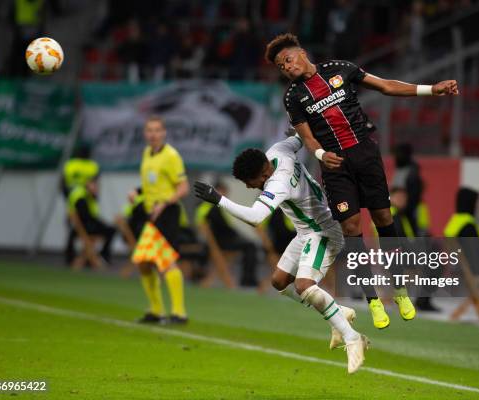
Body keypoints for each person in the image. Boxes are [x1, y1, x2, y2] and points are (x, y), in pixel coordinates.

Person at [264, 33, 458, 326]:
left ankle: (400, 291)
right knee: (352, 227)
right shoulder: (293, 97)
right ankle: (373, 300)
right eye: (281, 66)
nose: (286, 67)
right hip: (334, 166)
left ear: (301, 53)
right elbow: (308, 138)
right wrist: (319, 157)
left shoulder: (340, 69)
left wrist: (432, 89)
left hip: (365, 155)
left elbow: (386, 87)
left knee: (383, 218)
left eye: (287, 60)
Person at [194, 134, 368, 374]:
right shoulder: (279, 149)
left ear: (264, 175)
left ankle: (353, 338)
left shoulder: (278, 182)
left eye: (249, 181)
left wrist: (219, 199)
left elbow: (255, 218)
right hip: (305, 232)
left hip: (323, 231)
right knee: (278, 281)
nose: (248, 186)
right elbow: (302, 137)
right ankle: (338, 314)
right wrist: (299, 126)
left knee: (304, 285)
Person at [134, 115, 190, 324]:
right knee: (144, 263)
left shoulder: (171, 156)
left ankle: (179, 313)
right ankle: (156, 311)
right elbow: (152, 185)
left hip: (167, 213)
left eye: (157, 130)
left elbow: (182, 188)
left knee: (166, 263)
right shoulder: (147, 154)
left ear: (164, 132)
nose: (153, 134)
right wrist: (137, 192)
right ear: (145, 133)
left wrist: (164, 203)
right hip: (152, 214)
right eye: (149, 130)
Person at [195, 181, 259, 287]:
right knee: (250, 247)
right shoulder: (207, 207)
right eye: (222, 192)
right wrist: (213, 246)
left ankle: (244, 279)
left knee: (249, 244)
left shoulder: (221, 207)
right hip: (220, 242)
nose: (224, 195)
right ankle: (248, 280)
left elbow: (229, 226)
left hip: (227, 239)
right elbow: (202, 226)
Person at [61, 144, 100, 265]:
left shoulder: (70, 165)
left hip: (73, 202)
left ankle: (71, 257)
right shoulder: (92, 166)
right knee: (84, 230)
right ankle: (87, 258)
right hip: (86, 204)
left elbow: (63, 185)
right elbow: (95, 187)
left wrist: (67, 199)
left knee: (74, 230)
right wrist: (95, 197)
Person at [67, 177, 115, 264]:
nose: (96, 188)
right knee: (111, 230)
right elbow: (85, 217)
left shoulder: (86, 194)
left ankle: (91, 258)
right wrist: (101, 223)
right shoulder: (81, 196)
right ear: (88, 185)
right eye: (94, 185)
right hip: (85, 227)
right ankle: (103, 256)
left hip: (84, 225)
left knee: (110, 229)